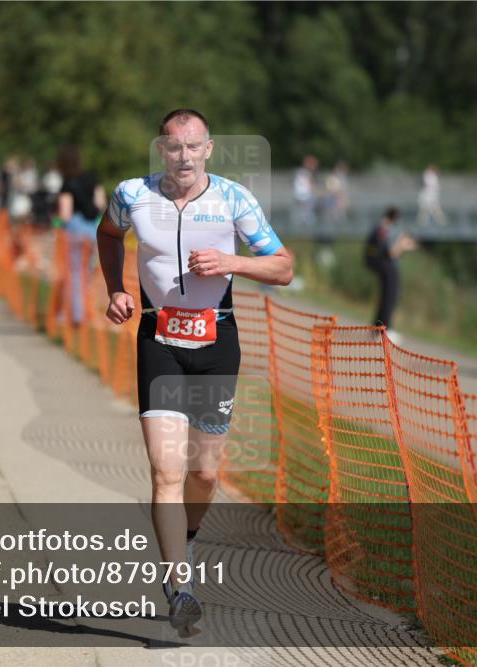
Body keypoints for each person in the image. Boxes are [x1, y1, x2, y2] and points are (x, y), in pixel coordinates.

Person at [97, 109, 293, 633]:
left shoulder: (233, 199)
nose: (183, 156)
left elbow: (284, 267)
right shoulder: (132, 194)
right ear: (162, 149)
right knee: (166, 472)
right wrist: (116, 288)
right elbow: (108, 235)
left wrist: (234, 264)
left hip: (215, 343)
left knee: (205, 472)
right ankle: (178, 587)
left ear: (209, 149)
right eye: (174, 146)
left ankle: (185, 537)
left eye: (193, 147)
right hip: (158, 340)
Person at [55, 144, 106, 326]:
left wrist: (56, 223)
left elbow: (65, 214)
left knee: (75, 273)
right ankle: (89, 311)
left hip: (75, 231)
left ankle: (75, 315)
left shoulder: (67, 183)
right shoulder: (92, 179)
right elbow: (100, 203)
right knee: (88, 273)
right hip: (92, 231)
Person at [364, 207, 416, 342]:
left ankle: (378, 329)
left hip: (384, 267)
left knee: (386, 298)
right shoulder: (385, 230)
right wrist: (402, 244)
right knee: (389, 298)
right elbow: (392, 253)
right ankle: (384, 330)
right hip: (387, 268)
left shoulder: (381, 229)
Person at [292, 154, 319, 228]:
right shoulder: (304, 173)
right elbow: (309, 186)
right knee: (307, 216)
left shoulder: (302, 172)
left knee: (305, 215)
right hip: (304, 198)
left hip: (303, 198)